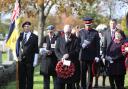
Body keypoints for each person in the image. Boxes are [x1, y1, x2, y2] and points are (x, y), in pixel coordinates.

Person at [55, 24, 80, 89]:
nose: (67, 34)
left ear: (71, 31)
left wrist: (69, 55)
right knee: (60, 85)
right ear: (63, 31)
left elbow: (77, 51)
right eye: (66, 32)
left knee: (71, 86)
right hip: (61, 65)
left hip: (72, 66)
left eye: (69, 32)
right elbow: (56, 50)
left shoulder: (76, 39)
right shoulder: (59, 39)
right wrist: (61, 57)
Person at [103, 19, 126, 89]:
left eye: (118, 34)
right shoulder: (111, 40)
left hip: (119, 64)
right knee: (111, 78)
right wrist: (105, 57)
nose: (116, 35)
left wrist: (114, 58)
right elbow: (105, 47)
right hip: (111, 63)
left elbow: (124, 52)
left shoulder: (123, 41)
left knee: (119, 82)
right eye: (111, 23)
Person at [78, 17, 100, 89]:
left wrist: (97, 56)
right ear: (84, 24)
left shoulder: (95, 32)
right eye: (87, 25)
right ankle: (83, 87)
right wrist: (81, 45)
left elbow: (97, 45)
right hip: (83, 56)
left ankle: (89, 87)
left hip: (91, 56)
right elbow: (77, 43)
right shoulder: (80, 32)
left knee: (91, 74)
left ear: (91, 24)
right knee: (82, 73)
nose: (88, 26)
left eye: (89, 25)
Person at [16, 21, 39, 89]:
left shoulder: (34, 37)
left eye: (28, 26)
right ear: (23, 27)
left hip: (30, 61)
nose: (27, 27)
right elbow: (17, 47)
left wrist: (35, 61)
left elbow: (36, 50)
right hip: (21, 61)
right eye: (25, 26)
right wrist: (17, 56)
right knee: (21, 78)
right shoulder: (20, 36)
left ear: (29, 27)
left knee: (29, 78)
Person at [40, 25, 58, 89]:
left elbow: (58, 49)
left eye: (51, 31)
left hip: (54, 62)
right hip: (46, 63)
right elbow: (41, 48)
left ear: (54, 31)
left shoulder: (57, 38)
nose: (50, 32)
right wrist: (45, 51)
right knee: (46, 83)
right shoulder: (44, 38)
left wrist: (52, 52)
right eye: (49, 31)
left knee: (56, 82)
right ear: (47, 31)